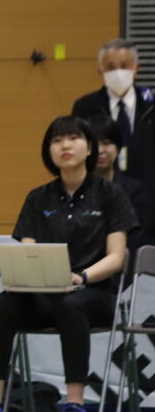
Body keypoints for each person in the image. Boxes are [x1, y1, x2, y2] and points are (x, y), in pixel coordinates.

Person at [0, 116, 136, 412]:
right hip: (44, 294)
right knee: (2, 306)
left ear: (89, 147)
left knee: (71, 306)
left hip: (94, 294)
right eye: (57, 141)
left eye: (73, 138)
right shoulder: (37, 198)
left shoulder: (110, 195)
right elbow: (28, 250)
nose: (65, 146)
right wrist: (30, 275)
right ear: (49, 151)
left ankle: (74, 407)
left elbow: (116, 257)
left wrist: (81, 277)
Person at [72, 38, 155, 252]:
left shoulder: (151, 104)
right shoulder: (85, 106)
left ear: (136, 68)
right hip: (101, 197)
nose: (118, 72)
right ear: (100, 70)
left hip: (148, 195)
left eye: (124, 66)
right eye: (110, 67)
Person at [88, 115, 151, 251]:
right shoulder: (76, 189)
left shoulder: (135, 190)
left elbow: (136, 237)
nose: (100, 150)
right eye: (94, 144)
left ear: (117, 148)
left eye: (106, 143)